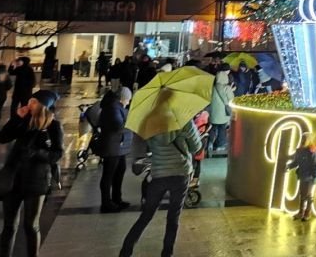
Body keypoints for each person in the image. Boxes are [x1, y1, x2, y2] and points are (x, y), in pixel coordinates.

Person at [118, 98, 202, 257]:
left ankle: (126, 250)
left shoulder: (149, 123)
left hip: (159, 174)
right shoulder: (183, 120)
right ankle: (166, 253)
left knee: (146, 215)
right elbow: (196, 147)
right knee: (173, 217)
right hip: (180, 173)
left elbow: (143, 147)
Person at [0, 90, 64, 257]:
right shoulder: (24, 121)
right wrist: (17, 118)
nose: (29, 104)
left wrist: (37, 153)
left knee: (31, 225)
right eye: (30, 101)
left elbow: (57, 154)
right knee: (9, 225)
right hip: (14, 179)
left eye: (33, 102)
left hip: (36, 181)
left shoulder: (53, 126)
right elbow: (2, 138)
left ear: (43, 105)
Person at [97, 87, 133, 212]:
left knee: (120, 170)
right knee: (109, 174)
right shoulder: (113, 108)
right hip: (112, 146)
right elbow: (118, 126)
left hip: (118, 146)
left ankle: (116, 199)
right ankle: (106, 203)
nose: (128, 102)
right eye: (128, 99)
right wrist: (132, 122)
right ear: (123, 98)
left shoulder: (116, 107)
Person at [287, 131, 316, 222]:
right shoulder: (299, 150)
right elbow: (296, 162)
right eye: (302, 138)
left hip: (310, 176)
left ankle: (307, 213)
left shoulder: (312, 150)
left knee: (308, 195)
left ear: (309, 140)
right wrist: (289, 166)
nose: (302, 140)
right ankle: (300, 212)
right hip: (302, 175)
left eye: (304, 138)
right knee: (302, 194)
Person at [209, 68, 233, 153]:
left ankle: (210, 143)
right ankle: (219, 145)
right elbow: (231, 100)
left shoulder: (212, 87)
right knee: (222, 128)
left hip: (213, 113)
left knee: (213, 128)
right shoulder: (226, 88)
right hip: (223, 114)